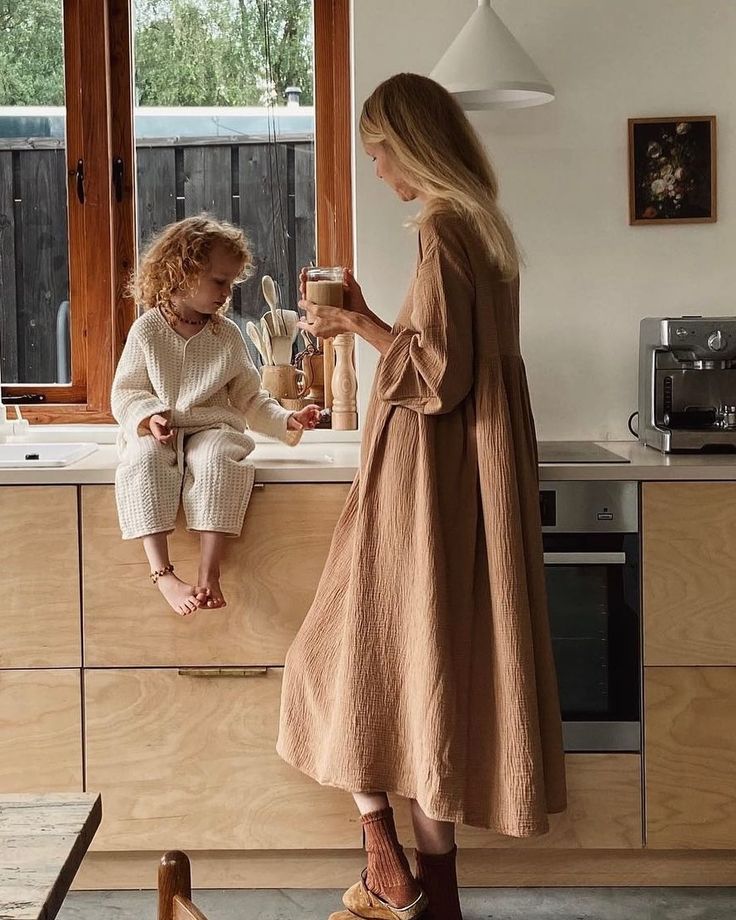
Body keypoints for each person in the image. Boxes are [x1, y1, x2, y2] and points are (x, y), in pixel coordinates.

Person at [277, 74, 567, 920]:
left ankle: (386, 863)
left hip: (426, 481)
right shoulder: (484, 228)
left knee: (329, 662)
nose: (377, 171)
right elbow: (457, 355)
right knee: (431, 675)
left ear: (412, 146)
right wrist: (372, 314)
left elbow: (437, 376)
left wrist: (353, 328)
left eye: (379, 153)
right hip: (472, 479)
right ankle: (435, 898)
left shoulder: (442, 226)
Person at [111, 215, 320, 616]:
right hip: (161, 430)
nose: (227, 294)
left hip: (212, 427)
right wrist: (148, 416)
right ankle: (163, 573)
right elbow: (126, 391)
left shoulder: (226, 336)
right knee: (144, 459)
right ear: (182, 272)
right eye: (219, 282)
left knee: (216, 459)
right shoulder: (148, 331)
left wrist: (285, 421)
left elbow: (248, 398)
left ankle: (209, 572)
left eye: (231, 284)